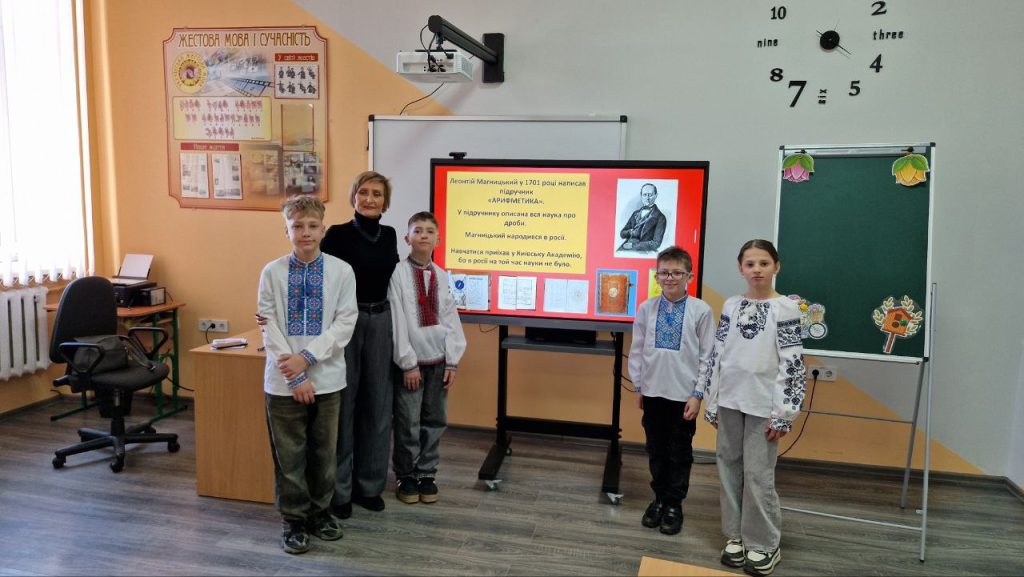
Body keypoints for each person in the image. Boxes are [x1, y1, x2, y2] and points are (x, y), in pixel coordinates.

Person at [257, 195, 358, 554]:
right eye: (297, 226)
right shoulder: (272, 272)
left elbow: (345, 322)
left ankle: (319, 513)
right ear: (286, 230)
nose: (305, 232)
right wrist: (296, 375)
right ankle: (294, 520)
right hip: (283, 382)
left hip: (328, 379)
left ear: (323, 229)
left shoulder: (341, 271)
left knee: (324, 453)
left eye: (312, 226)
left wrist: (308, 358)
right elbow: (267, 323)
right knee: (289, 455)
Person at [702, 239, 806, 576]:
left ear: (776, 267)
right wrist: (712, 400)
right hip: (730, 401)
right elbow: (719, 353)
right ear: (740, 269)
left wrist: (784, 413)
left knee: (758, 475)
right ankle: (735, 535)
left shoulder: (786, 308)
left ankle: (763, 543)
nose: (757, 270)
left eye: (764, 263)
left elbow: (793, 363)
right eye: (750, 264)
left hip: (764, 406)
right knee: (728, 467)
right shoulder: (731, 305)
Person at [321, 171, 401, 517]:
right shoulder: (336, 235)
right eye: (364, 192)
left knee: (378, 405)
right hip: (346, 324)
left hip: (381, 320)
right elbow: (322, 281)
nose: (370, 199)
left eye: (377, 194)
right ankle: (340, 491)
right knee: (345, 404)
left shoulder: (390, 235)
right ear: (354, 196)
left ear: (386, 201)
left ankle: (369, 486)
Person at [628, 246, 715, 535]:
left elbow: (708, 356)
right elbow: (637, 351)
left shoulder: (701, 311)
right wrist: (639, 385)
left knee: (679, 452)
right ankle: (659, 499)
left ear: (689, 276)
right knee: (656, 450)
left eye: (677, 272)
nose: (670, 278)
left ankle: (674, 504)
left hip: (684, 396)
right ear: (656, 276)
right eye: (664, 272)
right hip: (653, 393)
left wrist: (698, 394)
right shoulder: (646, 308)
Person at [387, 211, 467, 505]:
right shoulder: (397, 274)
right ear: (407, 238)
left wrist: (452, 359)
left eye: (429, 231)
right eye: (417, 230)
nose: (423, 235)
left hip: (439, 362)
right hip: (411, 365)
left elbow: (450, 319)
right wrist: (407, 362)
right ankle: (406, 474)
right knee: (408, 421)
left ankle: (427, 472)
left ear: (438, 239)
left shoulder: (442, 276)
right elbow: (397, 320)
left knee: (435, 420)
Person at [618, 182, 667, 252]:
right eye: (644, 195)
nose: (647, 198)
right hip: (626, 247)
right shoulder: (635, 213)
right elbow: (622, 234)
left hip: (644, 251)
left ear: (656, 195)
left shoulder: (660, 217)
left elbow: (656, 244)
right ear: (641, 196)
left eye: (650, 195)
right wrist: (631, 232)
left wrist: (633, 246)